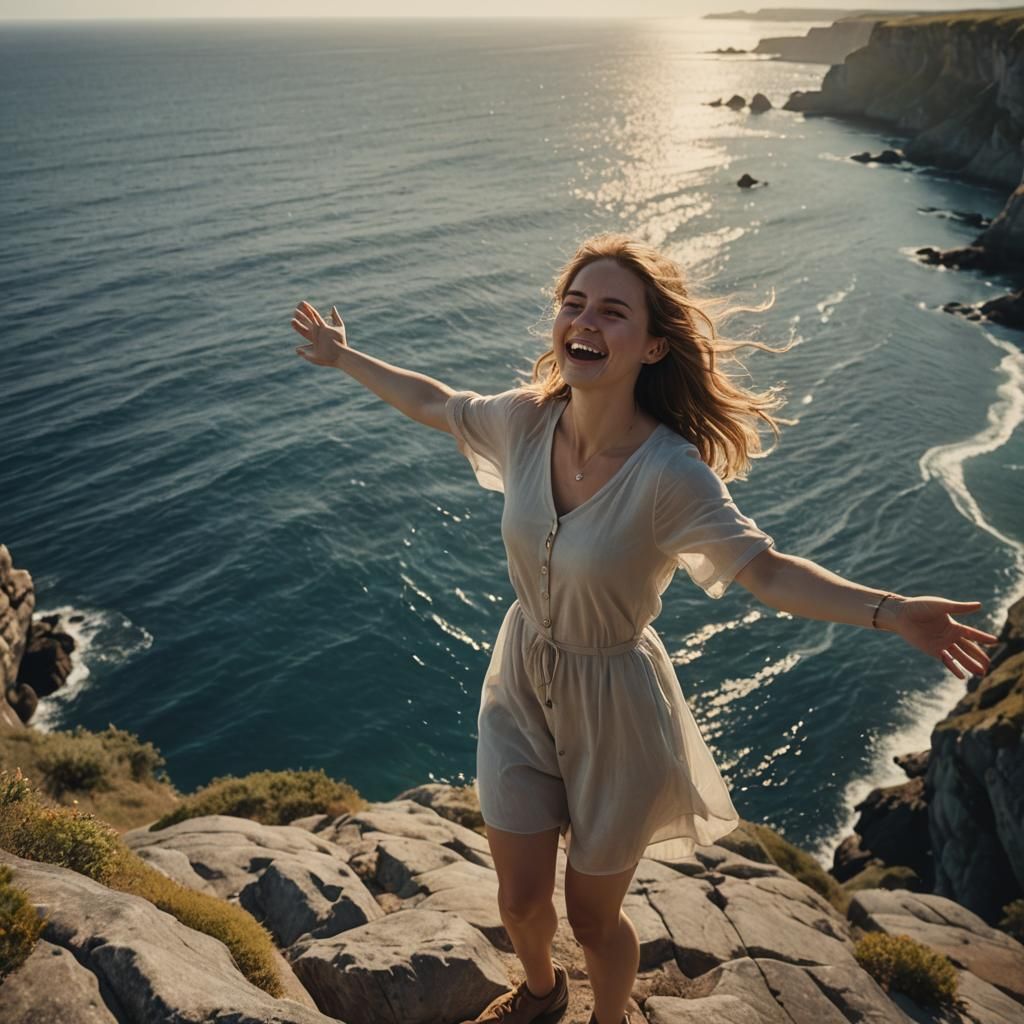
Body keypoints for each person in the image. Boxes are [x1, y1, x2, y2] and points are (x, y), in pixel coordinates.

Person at [291, 233, 998, 1024]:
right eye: (574, 303)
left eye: (612, 311)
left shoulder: (671, 473)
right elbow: (435, 402)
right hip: (521, 676)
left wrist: (891, 610)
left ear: (654, 344)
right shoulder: (525, 422)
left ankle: (610, 1018)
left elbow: (766, 572)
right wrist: (345, 358)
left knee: (593, 918)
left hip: (617, 706)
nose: (584, 321)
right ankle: (541, 992)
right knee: (521, 901)